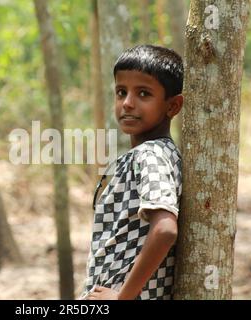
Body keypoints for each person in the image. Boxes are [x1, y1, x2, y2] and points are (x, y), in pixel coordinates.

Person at [81, 44, 183, 300]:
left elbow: (165, 229)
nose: (127, 103)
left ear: (172, 106)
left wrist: (121, 297)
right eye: (121, 92)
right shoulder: (156, 154)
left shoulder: (150, 155)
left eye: (144, 94)